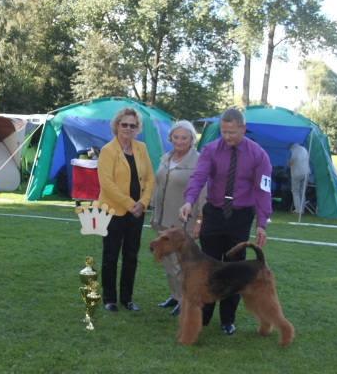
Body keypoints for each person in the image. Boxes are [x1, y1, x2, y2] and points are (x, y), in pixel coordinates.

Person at [179, 108, 272, 336]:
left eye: (232, 132)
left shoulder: (258, 155)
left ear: (243, 128)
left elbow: (263, 190)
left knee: (235, 269)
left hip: (240, 217)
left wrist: (261, 223)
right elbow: (198, 177)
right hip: (214, 214)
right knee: (205, 267)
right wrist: (189, 202)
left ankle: (228, 320)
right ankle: (204, 316)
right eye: (223, 131)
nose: (227, 136)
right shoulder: (210, 150)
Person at [97, 107, 155, 312]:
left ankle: (127, 298)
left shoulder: (141, 148)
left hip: (137, 213)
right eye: (124, 124)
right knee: (111, 256)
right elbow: (107, 185)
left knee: (131, 256)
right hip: (113, 212)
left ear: (136, 127)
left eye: (132, 125)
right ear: (117, 125)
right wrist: (132, 205)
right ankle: (109, 299)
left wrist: (143, 203)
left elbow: (150, 178)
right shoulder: (107, 151)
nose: (128, 128)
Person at [150, 120, 205, 316]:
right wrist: (154, 212)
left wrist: (199, 219)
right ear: (170, 138)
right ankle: (175, 296)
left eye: (184, 138)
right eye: (176, 137)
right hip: (162, 218)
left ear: (191, 139)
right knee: (166, 261)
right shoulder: (166, 157)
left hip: (183, 222)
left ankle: (186, 300)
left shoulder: (199, 160)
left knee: (181, 264)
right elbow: (158, 186)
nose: (179, 141)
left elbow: (203, 191)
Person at [287, 143, 310, 215]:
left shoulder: (290, 151)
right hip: (306, 172)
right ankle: (302, 210)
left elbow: (288, 164)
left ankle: (298, 211)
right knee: (302, 192)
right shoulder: (304, 148)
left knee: (295, 192)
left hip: (296, 173)